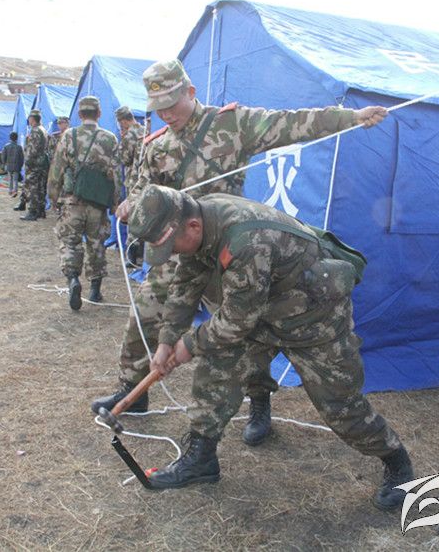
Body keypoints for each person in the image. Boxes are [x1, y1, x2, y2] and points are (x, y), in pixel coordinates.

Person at [92, 59, 388, 447]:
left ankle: (259, 401)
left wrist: (351, 118)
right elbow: (142, 190)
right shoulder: (157, 146)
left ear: (190, 92)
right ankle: (133, 388)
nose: (166, 114)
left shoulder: (231, 125)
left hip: (226, 253)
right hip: (174, 252)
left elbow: (292, 124)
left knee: (243, 334)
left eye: (171, 104)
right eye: (157, 108)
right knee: (144, 313)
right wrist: (130, 204)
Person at [125, 185, 414, 509]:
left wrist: (188, 345)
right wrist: (167, 341)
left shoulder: (245, 240)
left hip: (312, 316)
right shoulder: (198, 220)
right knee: (218, 369)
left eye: (172, 246)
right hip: (260, 308)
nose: (173, 254)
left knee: (340, 405)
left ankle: (396, 460)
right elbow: (186, 284)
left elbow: (237, 320)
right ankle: (201, 458)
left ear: (192, 226)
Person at [48, 96, 117, 310]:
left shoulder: (69, 136)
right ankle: (95, 290)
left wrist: (53, 197)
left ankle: (73, 280)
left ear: (79, 115)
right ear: (99, 114)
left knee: (70, 243)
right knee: (96, 244)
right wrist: (115, 203)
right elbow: (115, 175)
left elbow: (57, 169)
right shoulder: (110, 139)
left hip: (72, 201)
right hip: (98, 203)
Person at [114, 105, 146, 265]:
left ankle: (132, 255)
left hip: (133, 181)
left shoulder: (129, 135)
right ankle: (141, 254)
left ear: (124, 121)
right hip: (145, 179)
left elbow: (124, 159)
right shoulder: (144, 130)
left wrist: (122, 141)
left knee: (132, 216)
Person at [16, 109, 49, 221]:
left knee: (33, 188)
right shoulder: (43, 129)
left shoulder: (35, 131)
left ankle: (33, 211)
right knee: (41, 188)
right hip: (41, 163)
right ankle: (41, 211)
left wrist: (27, 162)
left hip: (34, 164)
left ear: (32, 119)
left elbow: (32, 150)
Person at [0, 131, 24, 197]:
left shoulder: (6, 146)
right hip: (17, 166)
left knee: (10, 179)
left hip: (9, 166)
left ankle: (10, 191)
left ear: (10, 138)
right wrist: (20, 166)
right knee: (15, 179)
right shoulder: (19, 147)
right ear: (17, 138)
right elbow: (22, 158)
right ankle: (15, 191)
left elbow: (3, 156)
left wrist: (4, 164)